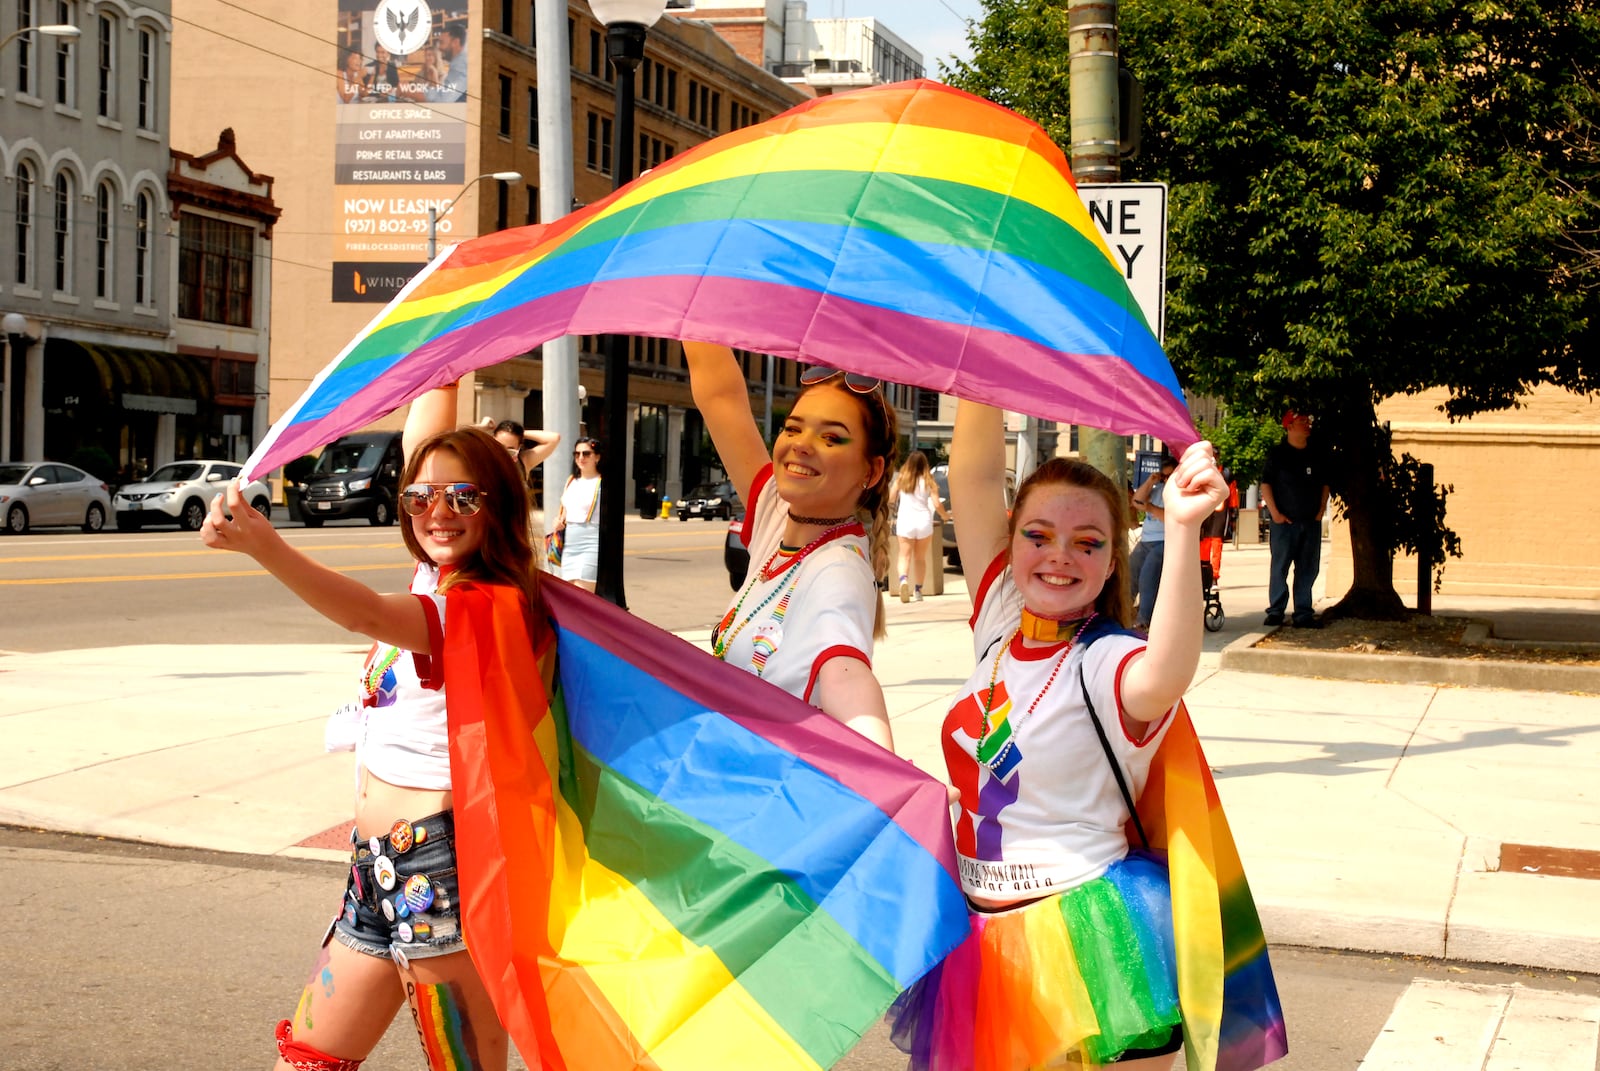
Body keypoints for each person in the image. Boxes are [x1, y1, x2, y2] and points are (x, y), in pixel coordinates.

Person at [891, 399, 1229, 1070]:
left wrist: (1186, 529)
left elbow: (1168, 671)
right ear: (1011, 539)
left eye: (1088, 542)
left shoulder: (1108, 661)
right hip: (975, 937)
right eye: (1038, 535)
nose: (1059, 557)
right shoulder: (998, 622)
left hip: (1087, 943)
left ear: (1112, 563)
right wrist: (988, 338)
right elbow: (978, 474)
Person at [200, 415, 536, 1071]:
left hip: (437, 876)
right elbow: (428, 428)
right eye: (420, 497)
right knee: (307, 1060)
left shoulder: (486, 605)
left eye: (462, 497)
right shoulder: (432, 575)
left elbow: (367, 615)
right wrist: (444, 341)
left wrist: (264, 544)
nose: (437, 512)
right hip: (374, 871)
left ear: (496, 504)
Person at [683, 341, 898, 748]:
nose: (801, 444)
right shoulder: (778, 514)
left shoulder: (838, 569)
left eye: (832, 438)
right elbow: (720, 397)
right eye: (793, 427)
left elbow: (846, 676)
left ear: (870, 471)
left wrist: (887, 778)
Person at [1260, 410, 1329, 628]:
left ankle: (1303, 613)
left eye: (1308, 421)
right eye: (1302, 422)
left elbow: (1325, 484)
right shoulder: (1278, 455)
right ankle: (1276, 611)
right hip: (1284, 524)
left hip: (1310, 522)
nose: (1307, 424)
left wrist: (1320, 510)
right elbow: (1266, 484)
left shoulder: (1316, 454)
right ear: (1289, 426)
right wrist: (1275, 514)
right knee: (1280, 566)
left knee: (1308, 568)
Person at [889, 450, 950, 603]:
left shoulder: (901, 480)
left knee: (904, 555)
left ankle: (903, 580)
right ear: (925, 465)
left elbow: (891, 498)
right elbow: (936, 504)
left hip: (905, 520)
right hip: (923, 522)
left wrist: (893, 513)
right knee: (920, 558)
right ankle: (918, 590)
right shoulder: (929, 482)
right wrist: (945, 516)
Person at [1128, 452, 1176, 629]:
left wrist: (1149, 507)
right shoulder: (1156, 490)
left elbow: (1171, 517)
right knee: (1130, 571)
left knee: (1148, 574)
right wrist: (1150, 481)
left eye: (1169, 476)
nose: (1165, 479)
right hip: (1146, 541)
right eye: (1163, 476)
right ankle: (1122, 613)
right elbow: (1136, 500)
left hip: (1166, 541)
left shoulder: (1177, 495)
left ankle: (1144, 619)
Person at [553, 437, 602, 592]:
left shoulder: (601, 482)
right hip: (569, 544)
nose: (581, 458)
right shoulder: (571, 481)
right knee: (569, 594)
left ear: (597, 457)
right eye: (577, 454)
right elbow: (565, 510)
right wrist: (558, 521)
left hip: (591, 542)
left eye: (586, 453)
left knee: (583, 593)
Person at [424, 25, 468, 103]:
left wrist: (409, 93)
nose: (439, 47)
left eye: (442, 42)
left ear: (455, 42)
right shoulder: (460, 62)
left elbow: (441, 101)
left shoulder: (460, 66)